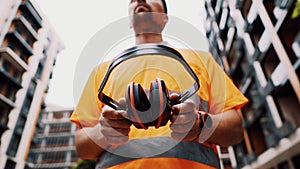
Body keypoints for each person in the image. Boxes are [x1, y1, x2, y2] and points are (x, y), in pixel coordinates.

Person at [70, 0, 249, 169]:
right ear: (130, 21)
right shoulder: (102, 71)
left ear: (165, 18)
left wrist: (200, 124)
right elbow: (81, 147)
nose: (139, 0)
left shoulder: (201, 61)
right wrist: (103, 132)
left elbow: (235, 130)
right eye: (133, 1)